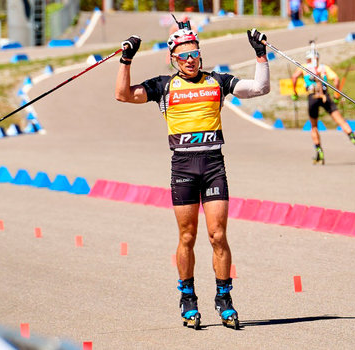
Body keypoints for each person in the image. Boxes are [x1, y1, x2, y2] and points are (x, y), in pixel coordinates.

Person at [114, 18, 270, 330]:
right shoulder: (163, 86)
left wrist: (261, 56)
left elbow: (260, 88)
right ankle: (187, 297)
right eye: (184, 56)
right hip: (183, 168)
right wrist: (126, 60)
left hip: (213, 167)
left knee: (218, 235)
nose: (190, 60)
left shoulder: (218, 81)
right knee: (187, 236)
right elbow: (123, 94)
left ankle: (224, 299)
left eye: (195, 54)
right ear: (173, 59)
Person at [291, 45, 355, 164]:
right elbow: (336, 79)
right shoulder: (324, 68)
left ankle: (319, 151)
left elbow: (294, 77)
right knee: (340, 120)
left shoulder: (304, 67)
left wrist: (294, 93)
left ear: (308, 59)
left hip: (312, 97)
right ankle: (353, 137)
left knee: (314, 126)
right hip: (326, 96)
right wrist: (336, 95)